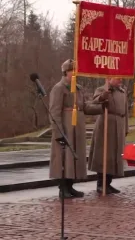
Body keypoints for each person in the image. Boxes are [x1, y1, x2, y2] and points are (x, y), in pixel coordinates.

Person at [49, 59, 101, 198]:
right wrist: (58, 132)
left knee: (74, 157)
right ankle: (63, 187)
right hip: (66, 125)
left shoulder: (79, 88)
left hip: (77, 127)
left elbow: (85, 107)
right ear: (66, 72)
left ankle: (70, 185)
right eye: (72, 71)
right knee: (64, 158)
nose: (75, 73)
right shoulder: (59, 88)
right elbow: (54, 111)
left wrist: (102, 106)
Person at [88, 77, 129, 194]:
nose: (120, 80)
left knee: (115, 156)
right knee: (104, 155)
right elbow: (95, 102)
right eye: (117, 78)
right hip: (106, 125)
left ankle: (108, 183)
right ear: (110, 79)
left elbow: (125, 112)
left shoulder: (122, 91)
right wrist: (104, 95)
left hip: (119, 124)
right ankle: (101, 184)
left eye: (121, 78)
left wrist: (125, 127)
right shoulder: (102, 89)